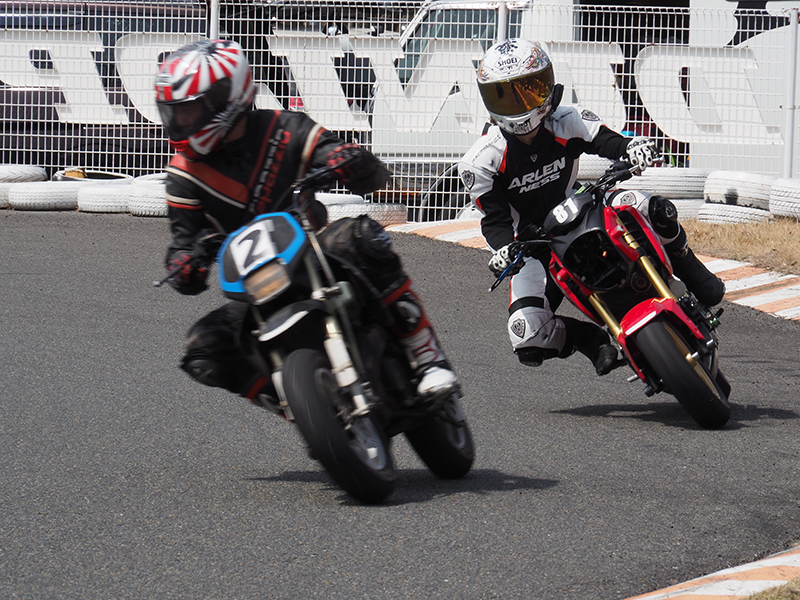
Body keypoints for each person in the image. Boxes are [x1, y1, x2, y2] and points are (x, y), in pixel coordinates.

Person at [154, 39, 456, 405]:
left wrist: (348, 159)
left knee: (360, 236)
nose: (179, 123)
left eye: (188, 112)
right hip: (254, 284)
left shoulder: (285, 128)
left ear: (225, 100)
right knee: (203, 349)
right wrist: (184, 264)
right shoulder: (182, 177)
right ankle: (297, 404)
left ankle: (426, 354)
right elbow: (183, 243)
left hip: (313, 252)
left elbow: (354, 165)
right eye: (173, 113)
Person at [457, 38, 725, 375]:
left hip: (583, 209)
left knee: (649, 205)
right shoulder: (481, 161)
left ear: (547, 83)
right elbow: (494, 220)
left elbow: (608, 142)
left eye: (529, 90)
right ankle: (590, 339)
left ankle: (691, 270)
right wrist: (503, 248)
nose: (521, 104)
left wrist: (632, 148)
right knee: (526, 334)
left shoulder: (567, 118)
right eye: (506, 96)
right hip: (533, 247)